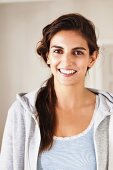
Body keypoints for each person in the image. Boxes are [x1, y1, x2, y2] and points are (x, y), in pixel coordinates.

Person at [0, 13, 113, 170]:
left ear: (92, 58)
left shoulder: (110, 113)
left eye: (78, 52)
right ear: (47, 56)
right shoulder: (21, 113)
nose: (66, 61)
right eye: (58, 51)